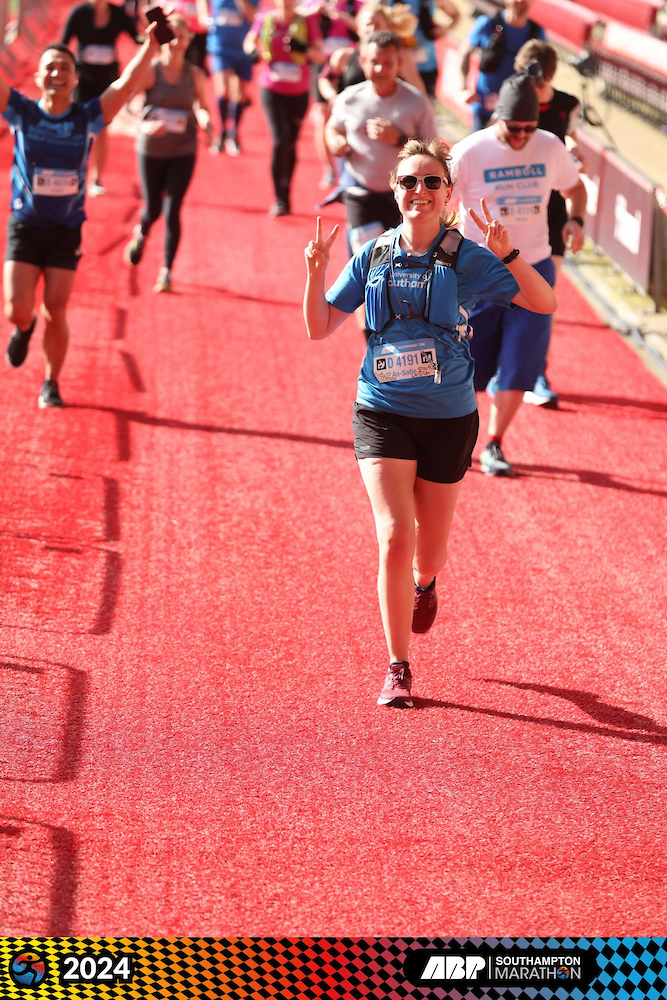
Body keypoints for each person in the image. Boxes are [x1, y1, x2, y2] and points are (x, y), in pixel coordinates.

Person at [303, 139, 557, 706]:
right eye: (409, 182)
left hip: (449, 416)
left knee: (430, 548)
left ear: (448, 193)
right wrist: (316, 274)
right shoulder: (370, 255)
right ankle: (398, 667)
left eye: (431, 183)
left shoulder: (467, 256)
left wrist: (510, 255)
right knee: (395, 534)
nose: (419, 191)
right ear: (394, 191)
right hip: (381, 409)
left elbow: (544, 304)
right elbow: (319, 327)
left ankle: (427, 584)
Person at [2, 26, 162, 408]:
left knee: (56, 309)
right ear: (39, 77)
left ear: (76, 79)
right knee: (16, 308)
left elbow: (124, 86)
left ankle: (50, 382)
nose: (57, 73)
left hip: (65, 230)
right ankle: (24, 328)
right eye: (50, 68)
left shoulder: (87, 116)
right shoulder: (20, 111)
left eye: (64, 68)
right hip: (25, 226)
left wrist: (152, 47)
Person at [448, 70, 586, 477]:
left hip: (534, 267)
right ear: (497, 117)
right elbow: (440, 204)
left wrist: (576, 221)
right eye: (514, 128)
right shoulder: (469, 152)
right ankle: (457, 437)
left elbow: (575, 188)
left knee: (520, 361)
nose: (523, 135)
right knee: (469, 365)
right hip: (480, 274)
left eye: (530, 127)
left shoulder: (550, 145)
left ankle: (494, 443)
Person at [513, 40, 581, 409]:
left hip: (551, 212)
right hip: (510, 215)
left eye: (538, 85)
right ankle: (502, 365)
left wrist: (572, 147)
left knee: (543, 298)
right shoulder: (513, 100)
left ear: (550, 77)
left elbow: (572, 140)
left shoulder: (568, 104)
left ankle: (537, 371)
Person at [123, 12, 213, 292]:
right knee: (152, 209)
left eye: (182, 37)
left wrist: (205, 120)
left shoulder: (194, 74)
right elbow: (127, 104)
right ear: (164, 39)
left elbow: (201, 105)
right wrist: (144, 125)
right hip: (151, 150)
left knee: (173, 209)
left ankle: (166, 272)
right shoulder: (151, 71)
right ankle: (142, 232)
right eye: (172, 36)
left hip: (183, 150)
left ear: (189, 41)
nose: (177, 42)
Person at [325, 29, 435, 255]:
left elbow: (433, 152)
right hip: (360, 191)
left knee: (399, 261)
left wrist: (401, 140)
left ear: (399, 63)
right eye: (374, 62)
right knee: (367, 258)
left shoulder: (416, 102)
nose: (380, 69)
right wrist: (336, 140)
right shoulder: (349, 97)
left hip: (404, 197)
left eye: (387, 63)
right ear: (363, 61)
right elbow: (333, 127)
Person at [244, 0, 324, 216]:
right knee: (280, 140)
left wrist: (303, 49)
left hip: (298, 93)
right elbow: (249, 41)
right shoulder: (266, 18)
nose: (286, 3)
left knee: (290, 143)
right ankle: (280, 198)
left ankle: (286, 190)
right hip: (272, 89)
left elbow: (320, 54)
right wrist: (252, 51)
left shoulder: (306, 22)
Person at [61, 0, 141, 195]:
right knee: (79, 128)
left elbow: (136, 37)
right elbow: (62, 45)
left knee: (103, 129)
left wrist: (151, 32)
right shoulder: (79, 13)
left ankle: (97, 179)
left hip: (107, 81)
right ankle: (75, 175)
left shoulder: (118, 14)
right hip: (83, 81)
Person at [459, 0, 544, 132]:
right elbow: (464, 52)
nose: (520, 1)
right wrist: (463, 88)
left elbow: (543, 72)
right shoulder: (488, 23)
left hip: (515, 117)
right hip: (484, 110)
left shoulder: (537, 33)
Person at [198, 0, 259, 155]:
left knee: (240, 94)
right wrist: (205, 17)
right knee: (223, 89)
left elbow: (253, 16)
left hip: (242, 48)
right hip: (220, 47)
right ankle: (222, 131)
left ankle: (234, 133)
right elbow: (202, 7)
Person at [386, 0, 459, 98]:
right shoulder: (387, 2)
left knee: (423, 104)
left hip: (427, 65)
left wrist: (445, 29)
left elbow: (455, 14)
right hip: (399, 68)